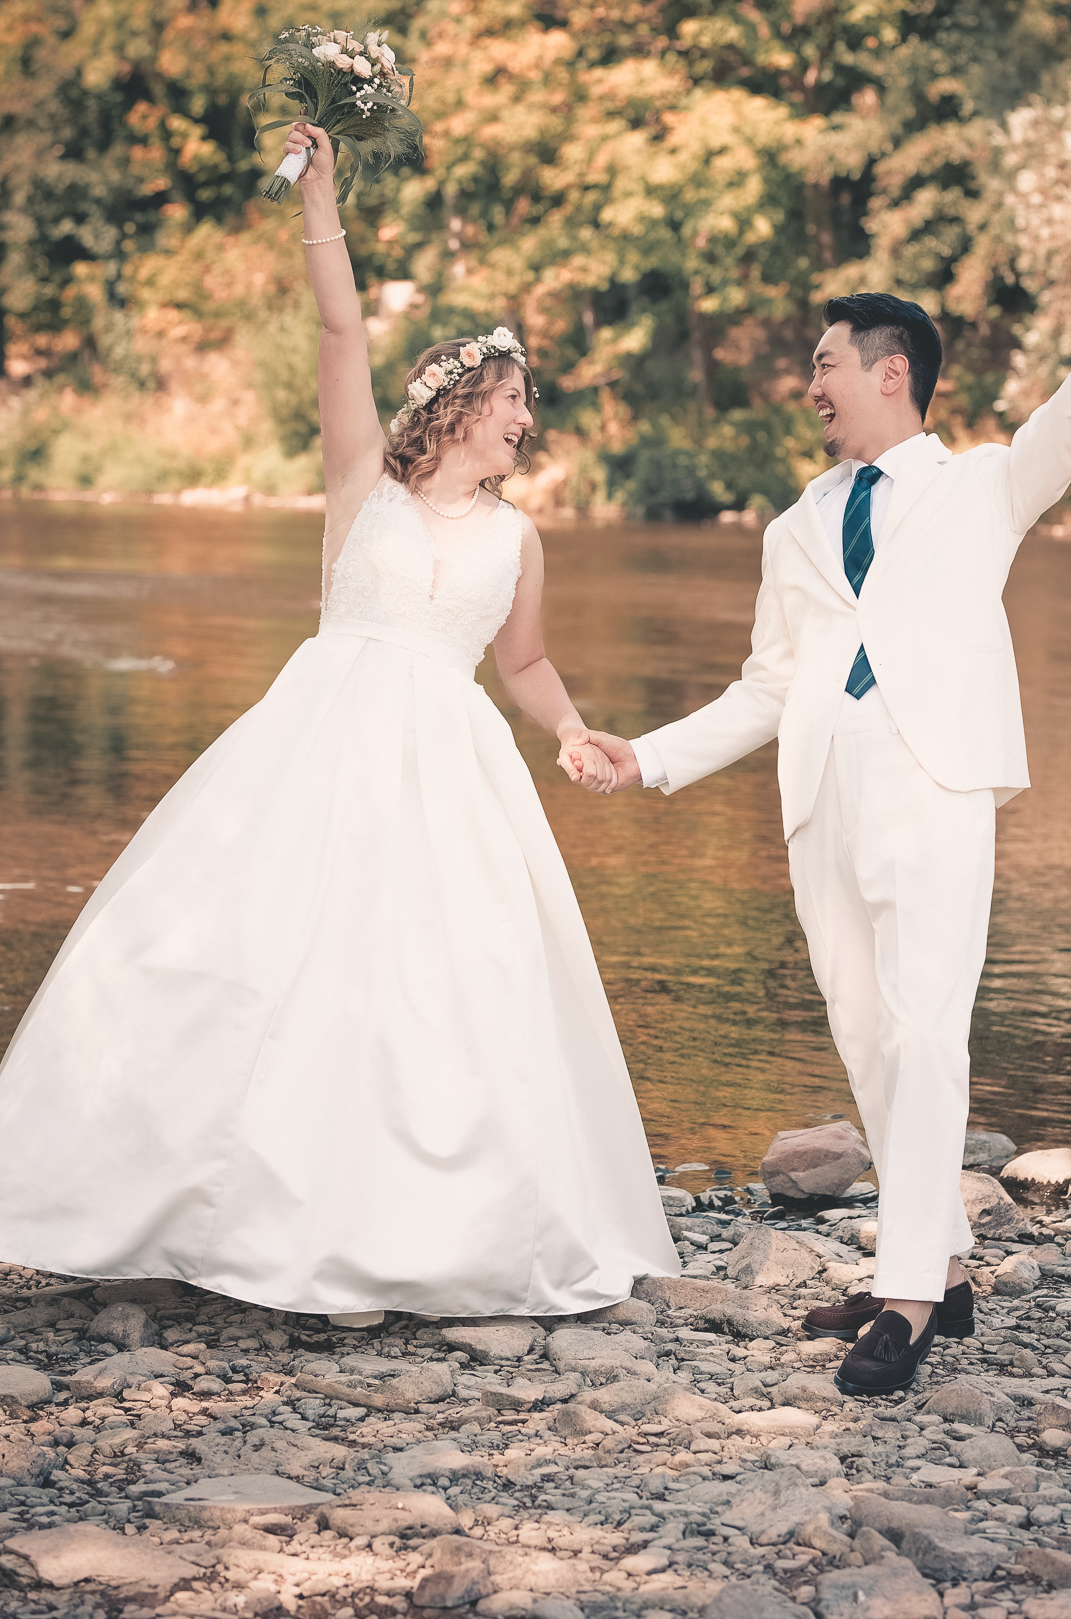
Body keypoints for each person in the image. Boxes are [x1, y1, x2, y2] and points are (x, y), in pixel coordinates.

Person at [0, 118, 678, 1326]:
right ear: (457, 403)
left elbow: (521, 659)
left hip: (451, 767)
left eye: (527, 404)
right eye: (511, 397)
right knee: (236, 955)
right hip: (317, 742)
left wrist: (571, 731)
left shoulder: (519, 538)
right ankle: (175, 1206)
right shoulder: (362, 482)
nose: (525, 418)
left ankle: (395, 1232)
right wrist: (322, 200)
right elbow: (339, 332)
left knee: (435, 984)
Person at [578, 205, 1071, 1395]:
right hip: (820, 794)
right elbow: (766, 686)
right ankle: (945, 1269)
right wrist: (643, 758)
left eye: (824, 363)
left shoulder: (980, 488)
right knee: (866, 1034)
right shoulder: (792, 528)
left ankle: (906, 1296)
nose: (808, 384)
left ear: (889, 371)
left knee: (924, 1030)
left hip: (932, 782)